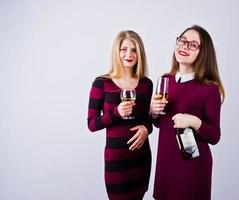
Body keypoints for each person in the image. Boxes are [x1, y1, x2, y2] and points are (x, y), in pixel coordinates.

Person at [150, 25, 225, 200]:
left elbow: (214, 136)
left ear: (202, 53)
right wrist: (153, 112)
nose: (184, 46)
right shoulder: (165, 80)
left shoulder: (209, 89)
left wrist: (193, 121)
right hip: (166, 163)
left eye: (192, 45)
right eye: (182, 41)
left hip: (192, 168)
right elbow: (161, 123)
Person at [87, 30, 153, 200]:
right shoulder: (102, 83)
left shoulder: (146, 84)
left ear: (140, 53)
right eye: (124, 49)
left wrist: (147, 128)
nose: (129, 54)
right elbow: (92, 124)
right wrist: (116, 113)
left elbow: (148, 119)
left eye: (134, 50)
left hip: (141, 158)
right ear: (117, 52)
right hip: (116, 162)